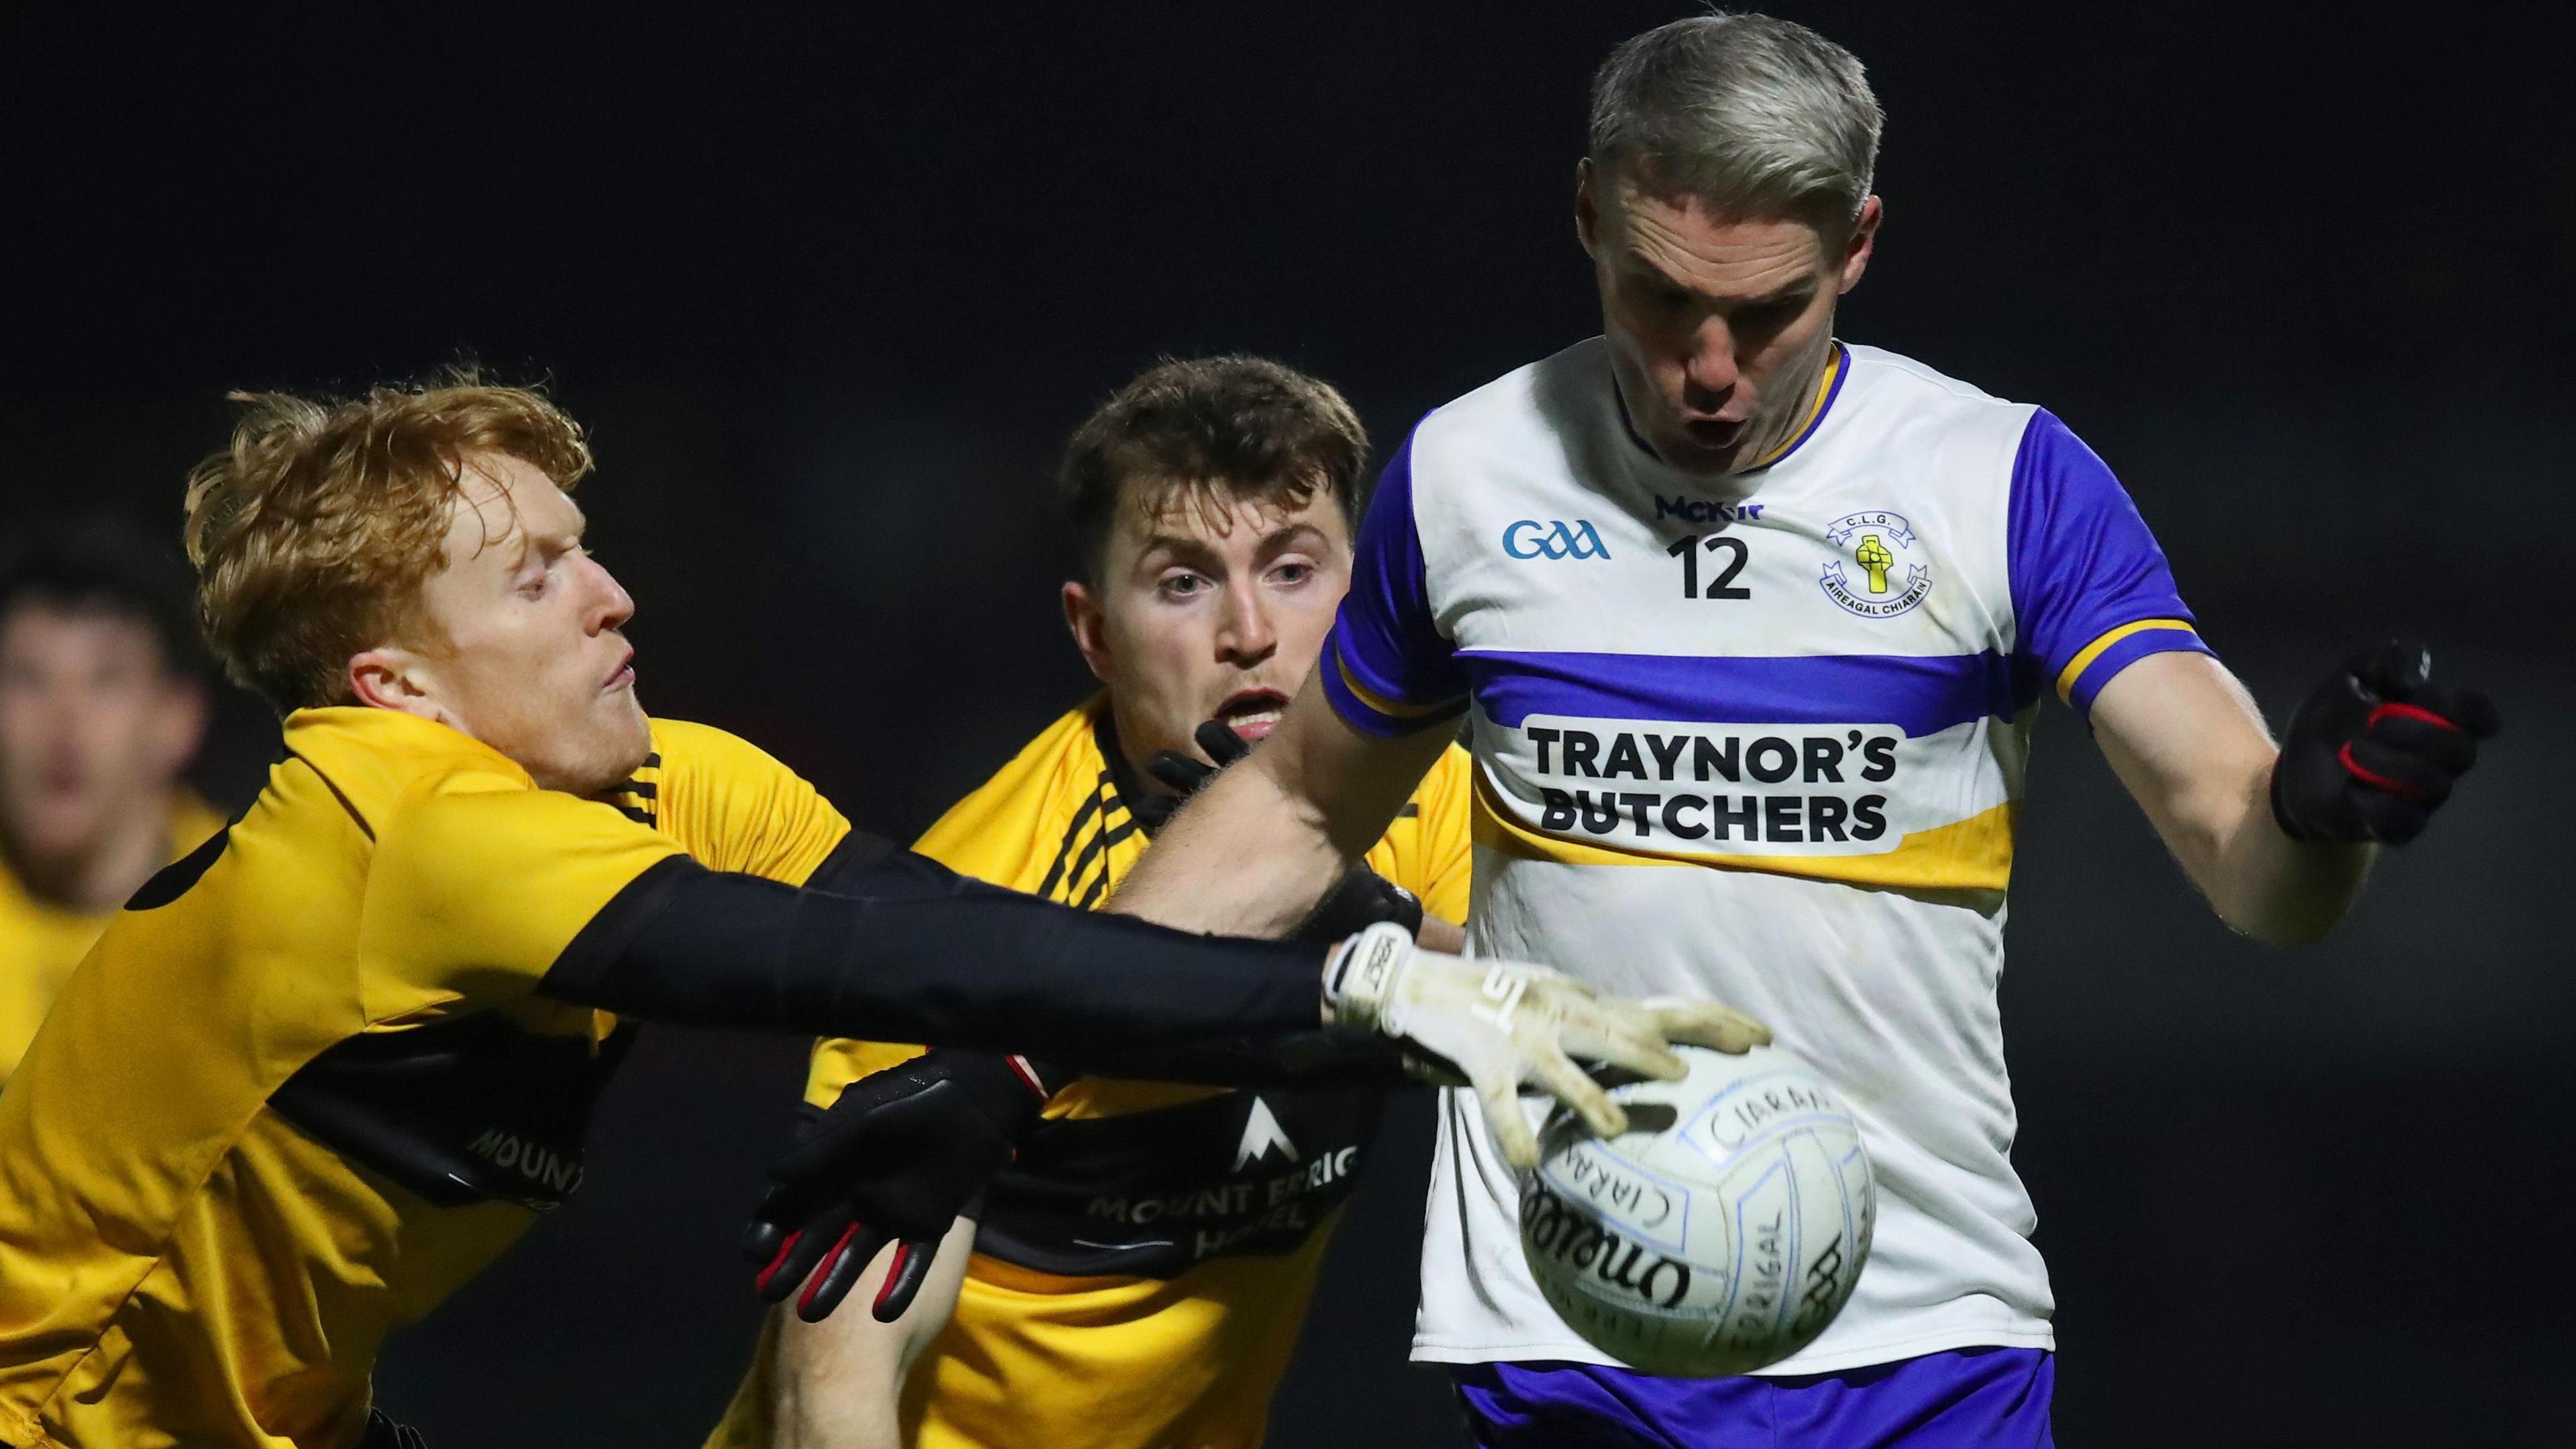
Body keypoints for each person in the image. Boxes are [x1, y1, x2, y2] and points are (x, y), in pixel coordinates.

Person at [1105, 15, 2498, 1448]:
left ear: (1859, 245)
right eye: (1661, 299)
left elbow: (2248, 860)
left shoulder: (2000, 481)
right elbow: (1297, 809)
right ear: (1589, 218)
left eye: (1766, 313)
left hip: (1919, 1350)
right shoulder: (1467, 472)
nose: (1712, 369)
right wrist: (1017, 1041)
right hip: (1570, 1327)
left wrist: (2317, 821)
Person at [0, 377, 1759, 1449]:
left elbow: (967, 941)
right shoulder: (404, 835)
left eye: (587, 545)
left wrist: (1397, 980)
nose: (616, 598)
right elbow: (862, 962)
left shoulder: (666, 777)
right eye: (538, 579)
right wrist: (1371, 1000)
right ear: (393, 684)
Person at [710, 357, 1477, 1449]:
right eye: (1183, 582)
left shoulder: (1429, 796)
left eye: (1294, 569)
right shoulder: (965, 904)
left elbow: (1560, 1019)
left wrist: (1366, 922)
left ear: (1364, 593)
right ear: (1095, 633)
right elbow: (829, 1390)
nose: (1248, 630)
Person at [0, 531, 220, 1085]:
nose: (63, 723)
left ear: (178, 717)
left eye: (106, 680)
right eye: (28, 678)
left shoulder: (254, 913)